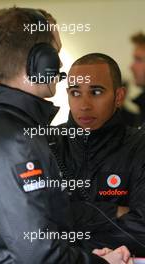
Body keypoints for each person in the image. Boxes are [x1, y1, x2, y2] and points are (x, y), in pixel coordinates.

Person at [0, 7, 131, 264]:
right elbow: (38, 254)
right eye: (55, 53)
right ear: (41, 62)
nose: (60, 64)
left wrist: (86, 255)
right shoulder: (15, 140)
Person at [52, 53, 145, 257]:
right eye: (76, 93)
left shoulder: (139, 146)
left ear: (118, 96)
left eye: (95, 92)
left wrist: (71, 250)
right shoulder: (48, 143)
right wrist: (111, 212)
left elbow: (142, 230)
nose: (84, 105)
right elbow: (35, 220)